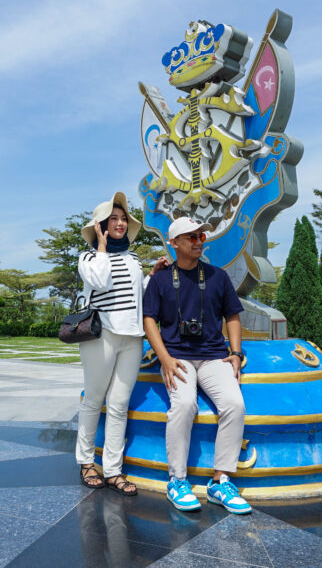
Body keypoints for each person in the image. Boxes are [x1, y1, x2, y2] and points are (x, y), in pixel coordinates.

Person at [142, 216, 252, 515]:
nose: (198, 241)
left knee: (234, 404)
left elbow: (232, 316)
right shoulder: (160, 279)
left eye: (201, 236)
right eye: (191, 237)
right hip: (177, 357)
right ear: (174, 243)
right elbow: (149, 320)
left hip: (214, 356)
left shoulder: (218, 276)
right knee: (184, 404)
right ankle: (177, 480)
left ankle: (220, 481)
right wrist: (164, 358)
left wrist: (236, 352)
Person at [76, 191, 169, 496]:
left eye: (123, 219)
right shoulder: (88, 258)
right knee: (94, 399)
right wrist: (102, 248)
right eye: (113, 219)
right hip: (101, 335)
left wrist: (152, 275)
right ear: (100, 226)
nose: (120, 223)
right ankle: (86, 462)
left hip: (132, 337)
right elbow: (100, 281)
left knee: (119, 405)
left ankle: (113, 470)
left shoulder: (133, 258)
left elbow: (137, 296)